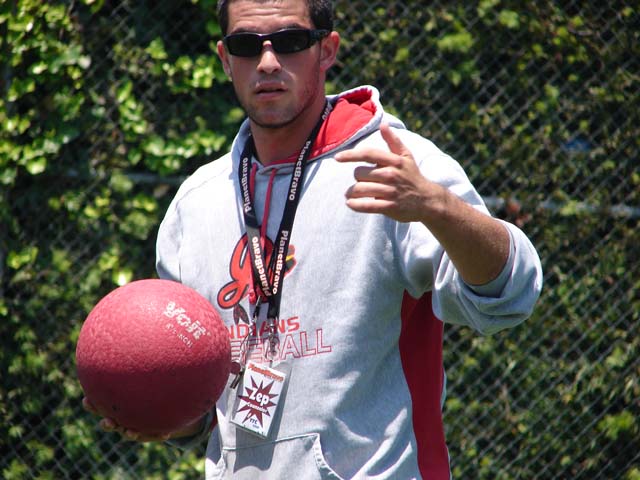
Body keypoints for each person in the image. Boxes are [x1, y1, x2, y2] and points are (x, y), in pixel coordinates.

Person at [85, 0, 543, 478]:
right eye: (246, 45)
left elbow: (511, 295)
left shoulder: (396, 166)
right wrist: (160, 410)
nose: (267, 62)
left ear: (327, 50)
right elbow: (206, 407)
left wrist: (439, 208)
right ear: (225, 59)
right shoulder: (196, 204)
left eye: (289, 41)